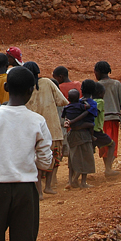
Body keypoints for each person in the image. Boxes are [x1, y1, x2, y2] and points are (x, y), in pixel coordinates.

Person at [0, 66, 53, 241]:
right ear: (31, 90)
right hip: (26, 189)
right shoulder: (37, 121)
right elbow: (45, 162)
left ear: (7, 87)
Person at [22, 61, 68, 198]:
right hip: (52, 128)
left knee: (35, 160)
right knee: (53, 159)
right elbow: (62, 101)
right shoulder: (47, 82)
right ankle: (48, 186)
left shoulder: (24, 87)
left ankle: (39, 191)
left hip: (31, 130)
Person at [94, 61, 121, 176]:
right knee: (112, 142)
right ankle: (108, 168)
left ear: (98, 72)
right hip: (114, 118)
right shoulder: (116, 84)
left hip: (100, 120)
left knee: (104, 144)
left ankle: (108, 167)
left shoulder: (96, 86)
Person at [62, 89, 96, 189]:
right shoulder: (82, 106)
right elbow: (88, 110)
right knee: (86, 156)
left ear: (68, 98)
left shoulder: (67, 107)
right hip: (84, 133)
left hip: (72, 134)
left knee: (73, 158)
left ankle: (70, 180)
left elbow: (64, 117)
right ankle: (82, 182)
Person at [87, 81, 115, 168]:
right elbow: (95, 111)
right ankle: (108, 169)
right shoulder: (100, 102)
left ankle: (77, 175)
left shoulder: (89, 101)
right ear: (100, 94)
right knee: (112, 144)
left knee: (89, 152)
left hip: (88, 130)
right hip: (96, 131)